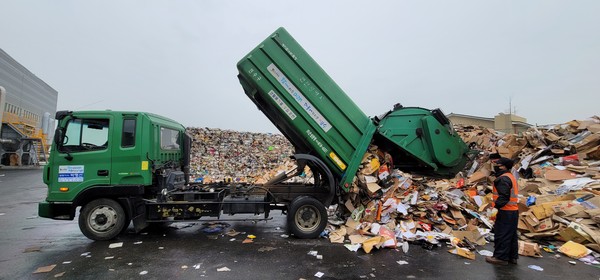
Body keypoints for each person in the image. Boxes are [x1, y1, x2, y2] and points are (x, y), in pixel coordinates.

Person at [486, 157, 519, 265]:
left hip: (505, 211)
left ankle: (500, 257)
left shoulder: (503, 179)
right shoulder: (510, 176)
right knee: (511, 235)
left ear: (503, 166)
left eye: (498, 165)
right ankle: (511, 257)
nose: (495, 167)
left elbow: (504, 196)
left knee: (502, 234)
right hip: (513, 211)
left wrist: (496, 207)